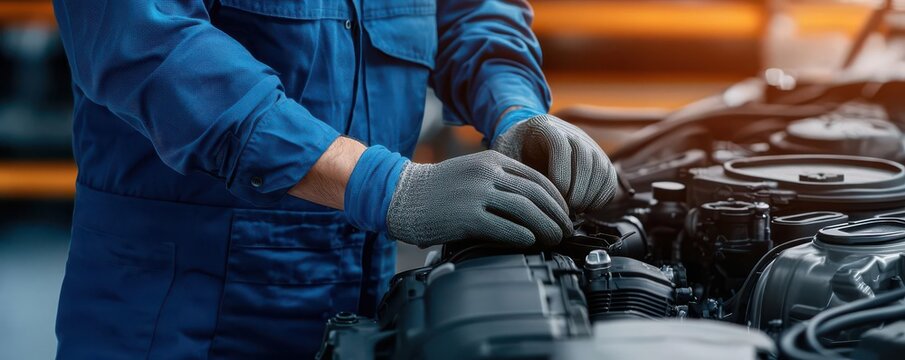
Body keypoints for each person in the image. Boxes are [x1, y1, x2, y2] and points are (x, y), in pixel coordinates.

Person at [51, 0, 617, 358]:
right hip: (176, 309)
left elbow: (470, 10)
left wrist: (515, 108)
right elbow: (151, 50)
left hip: (360, 297)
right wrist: (383, 185)